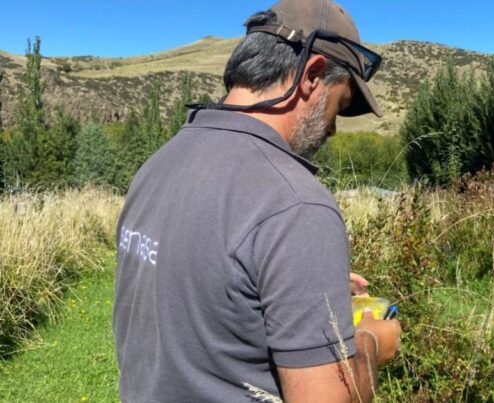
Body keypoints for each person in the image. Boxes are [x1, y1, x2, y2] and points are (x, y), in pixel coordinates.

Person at [112, 0, 402, 401]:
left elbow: (201, 280)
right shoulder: (296, 205)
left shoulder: (159, 163)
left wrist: (296, 285)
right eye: (342, 103)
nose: (334, 128)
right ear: (313, 76)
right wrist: (371, 344)